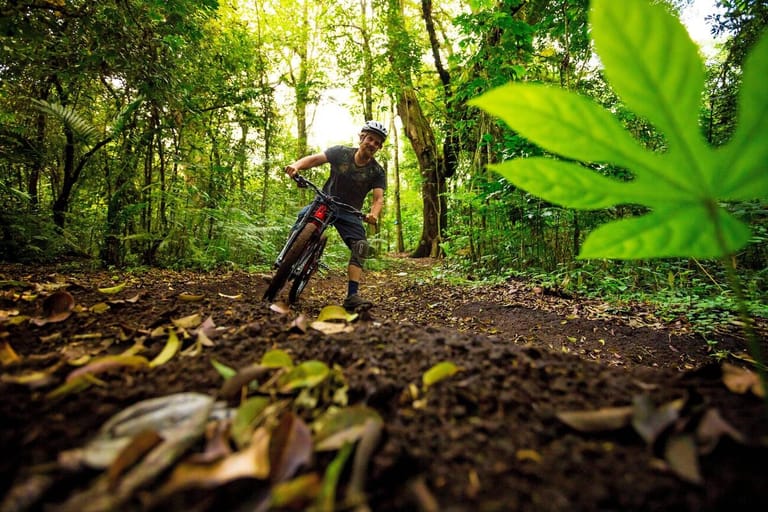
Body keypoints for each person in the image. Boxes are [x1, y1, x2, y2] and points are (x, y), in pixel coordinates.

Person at [284, 120, 387, 311]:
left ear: (379, 148)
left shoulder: (377, 171)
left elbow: (378, 198)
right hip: (326, 201)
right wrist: (296, 166)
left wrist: (373, 214)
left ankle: (352, 296)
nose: (372, 144)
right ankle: (284, 264)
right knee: (303, 218)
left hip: (350, 211)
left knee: (361, 246)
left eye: (377, 143)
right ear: (362, 137)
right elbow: (315, 159)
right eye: (370, 139)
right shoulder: (341, 152)